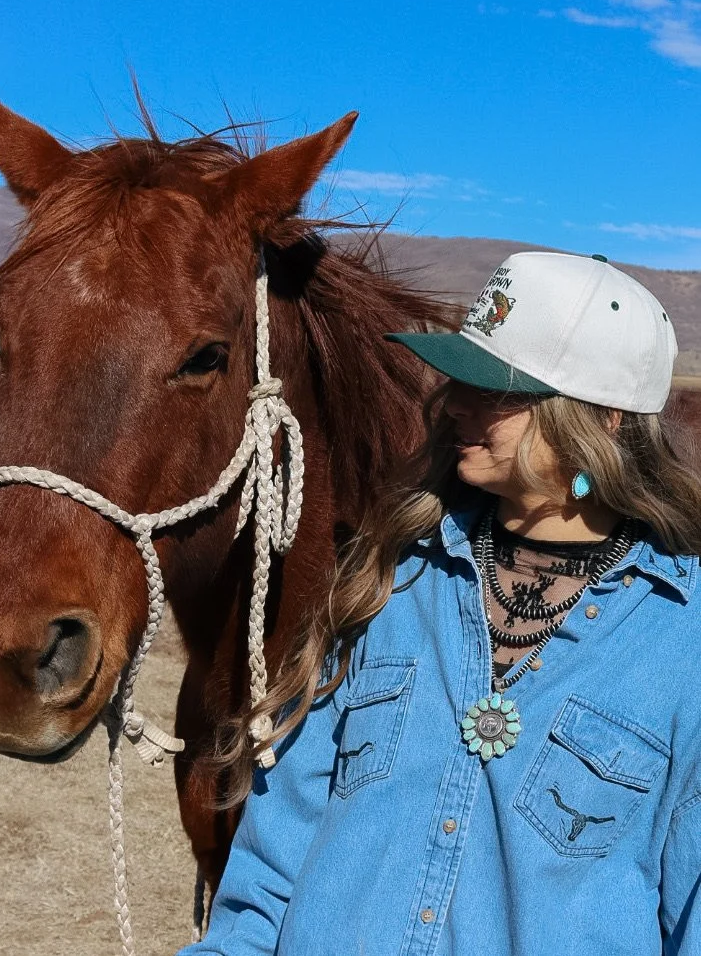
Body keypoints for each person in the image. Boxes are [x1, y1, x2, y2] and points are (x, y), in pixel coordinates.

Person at [180, 251, 701, 956]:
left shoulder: (682, 641)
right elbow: (278, 853)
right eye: (460, 379)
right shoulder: (388, 579)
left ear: (603, 418)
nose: (455, 403)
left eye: (497, 390)